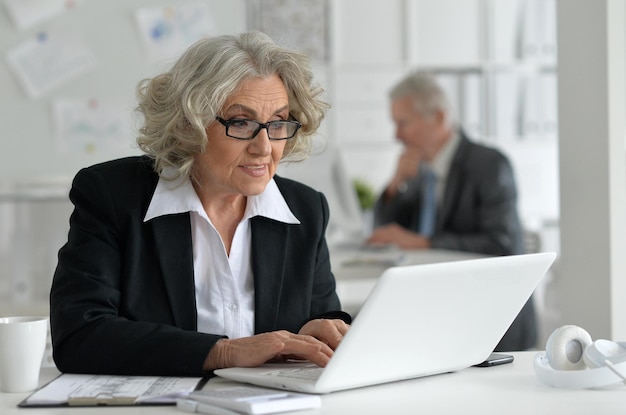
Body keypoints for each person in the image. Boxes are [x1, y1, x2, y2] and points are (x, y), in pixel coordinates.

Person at [49, 31, 351, 377]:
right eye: (241, 122)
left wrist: (323, 331)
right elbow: (79, 335)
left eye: (278, 123)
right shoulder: (113, 196)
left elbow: (322, 319)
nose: (264, 147)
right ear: (188, 124)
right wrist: (222, 353)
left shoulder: (306, 209)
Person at [367, 71, 534, 351]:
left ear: (440, 118)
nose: (396, 136)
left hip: (494, 320)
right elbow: (385, 232)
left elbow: (501, 243)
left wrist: (424, 243)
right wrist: (396, 184)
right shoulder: (420, 169)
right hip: (446, 314)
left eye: (403, 123)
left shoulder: (489, 165)